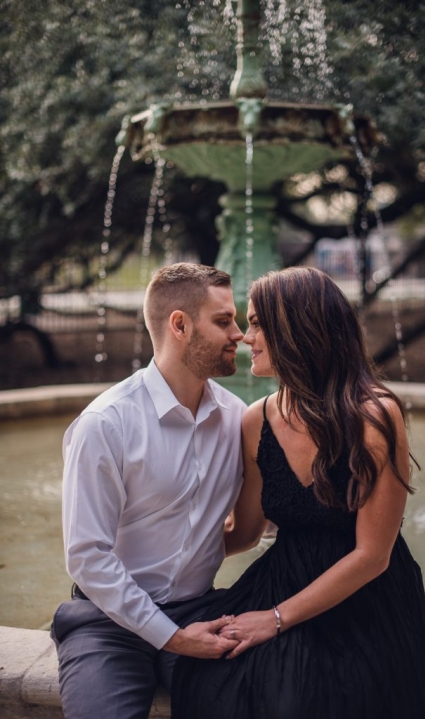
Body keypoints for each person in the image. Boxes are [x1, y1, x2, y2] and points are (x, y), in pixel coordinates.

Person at [172, 267, 425, 719]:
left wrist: (276, 618)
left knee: (322, 696)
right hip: (281, 577)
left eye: (260, 323)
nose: (247, 337)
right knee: (208, 677)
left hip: (366, 592)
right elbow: (244, 533)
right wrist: (159, 552)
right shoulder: (256, 421)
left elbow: (372, 556)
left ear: (297, 329)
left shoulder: (376, 417)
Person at [51, 262, 247, 719]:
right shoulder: (106, 423)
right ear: (179, 325)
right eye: (223, 321)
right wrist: (174, 638)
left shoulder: (238, 420)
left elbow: (261, 518)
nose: (238, 333)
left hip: (202, 610)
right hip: (107, 623)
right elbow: (87, 556)